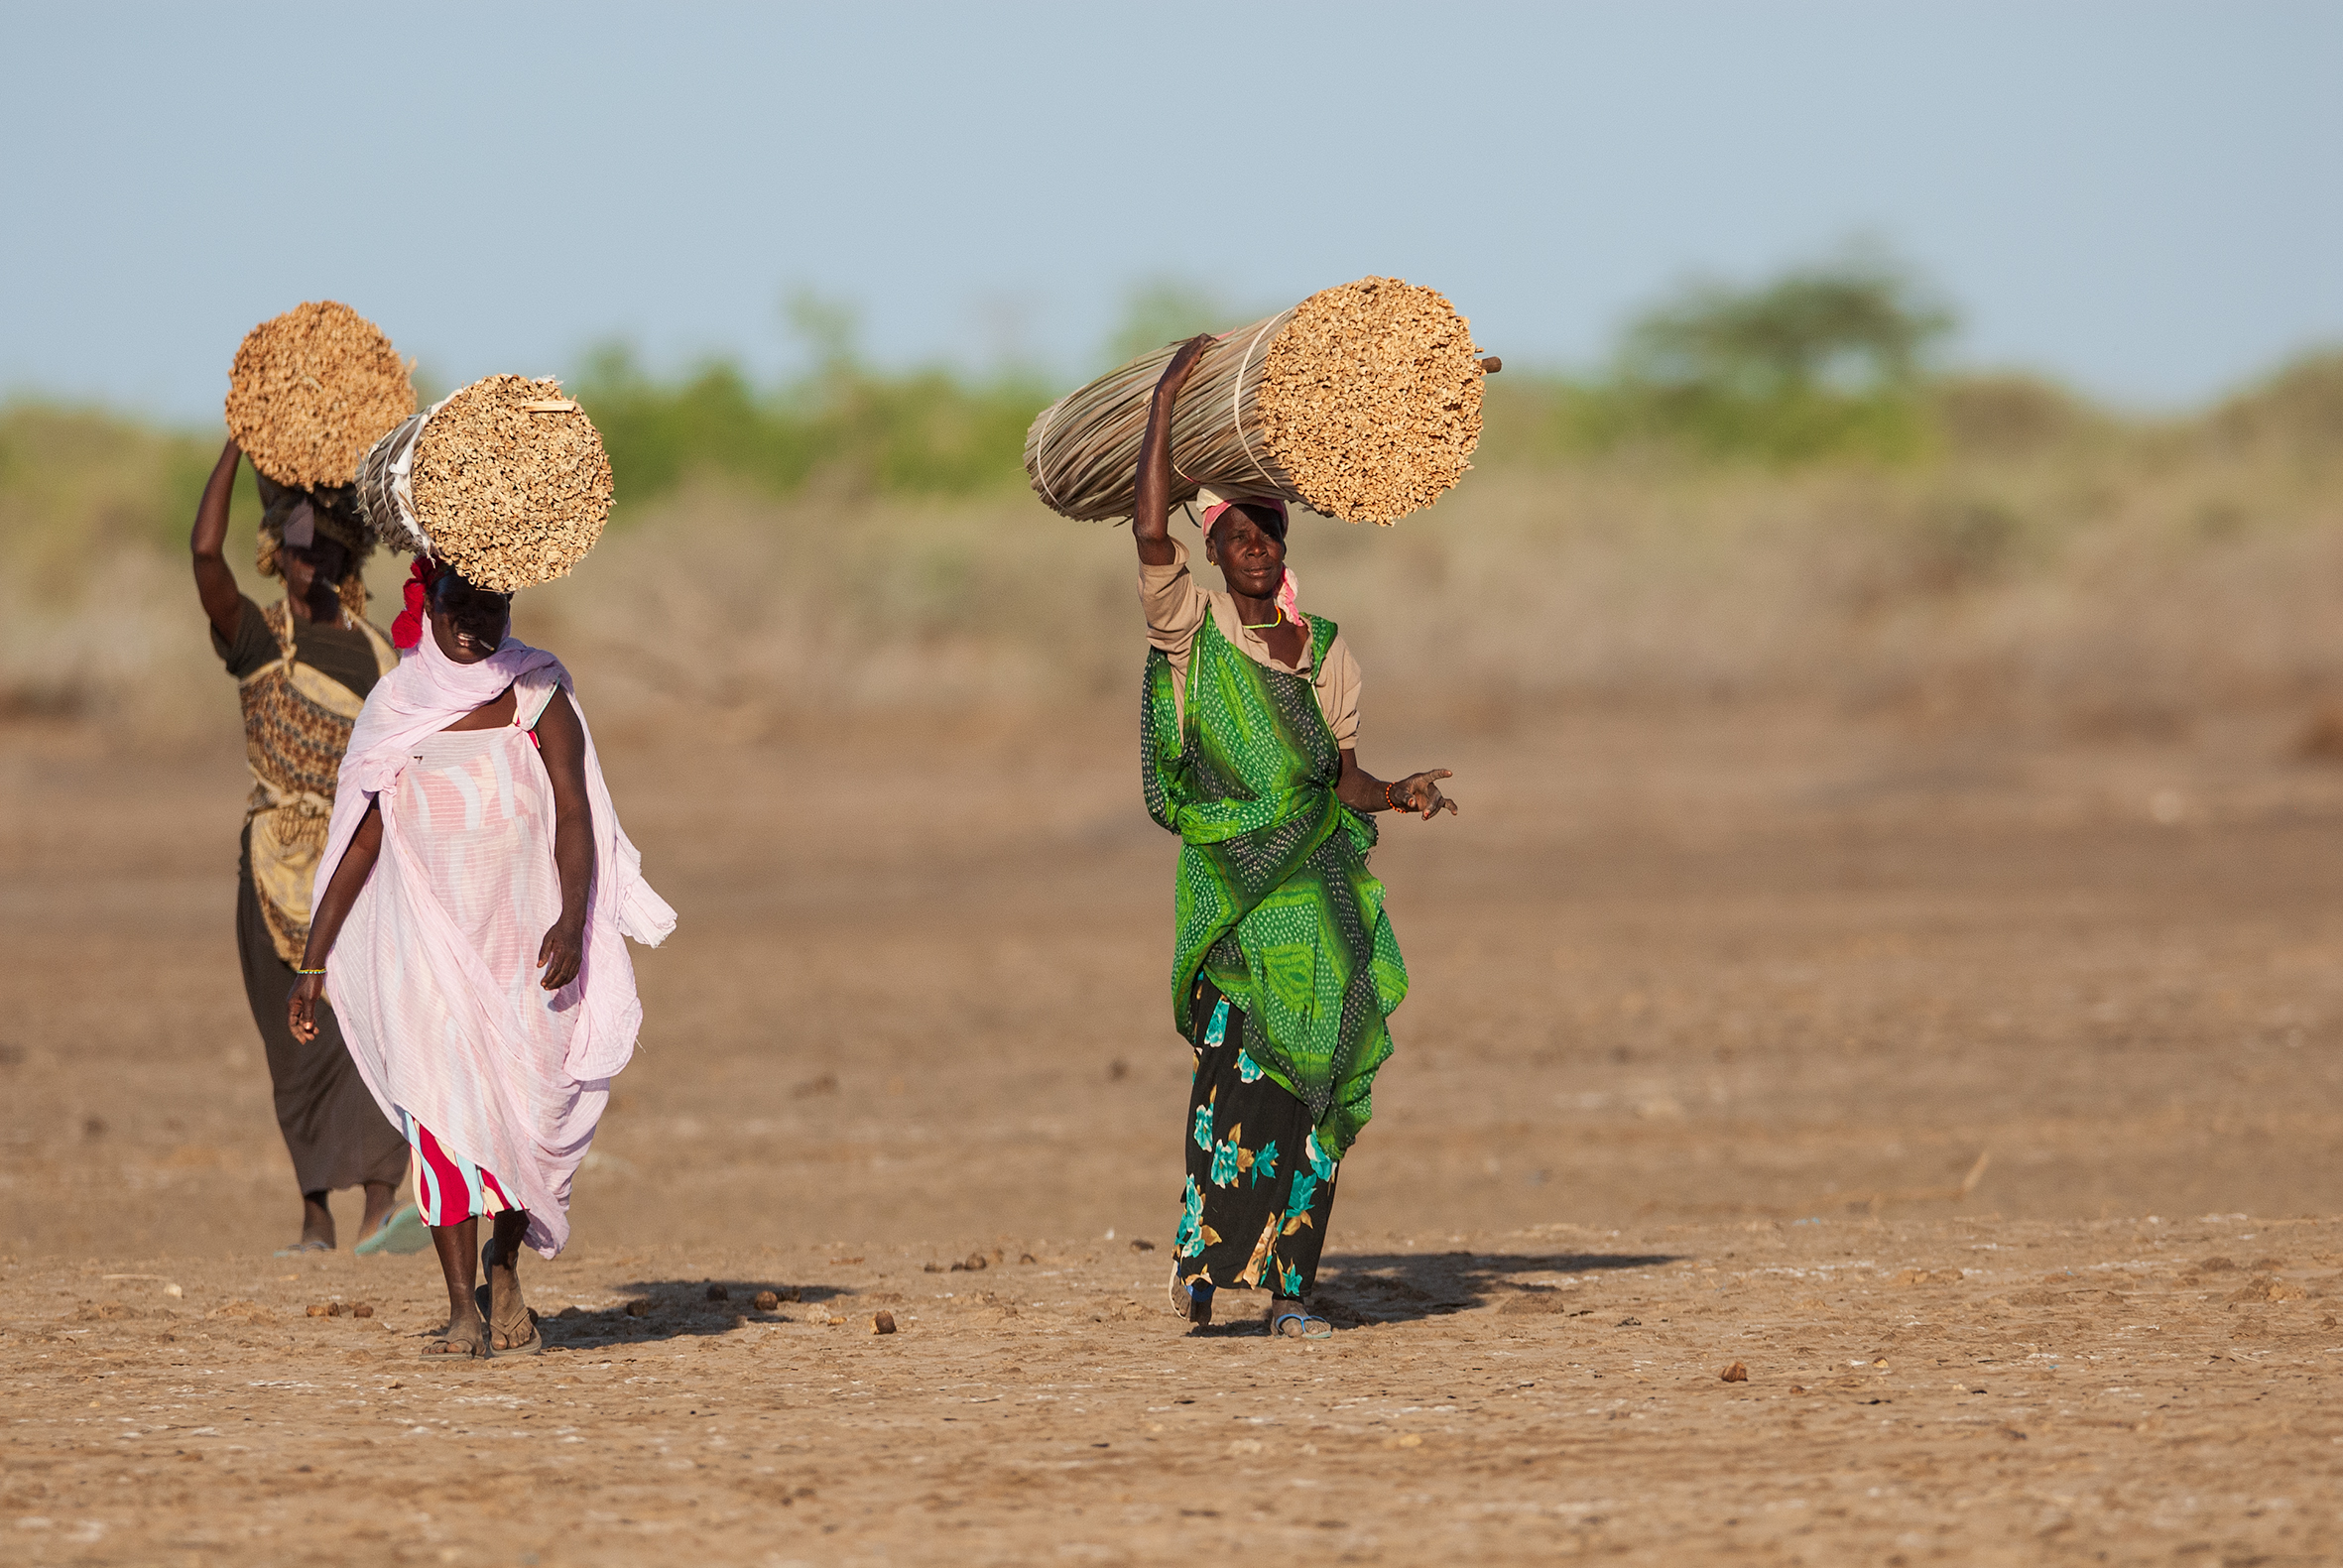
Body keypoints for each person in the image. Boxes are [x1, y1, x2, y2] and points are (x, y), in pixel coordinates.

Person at [1134, 336, 1458, 1339]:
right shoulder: (1191, 632)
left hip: (1315, 899)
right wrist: (1169, 397)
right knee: (1233, 1085)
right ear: (1218, 553)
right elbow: (1151, 524)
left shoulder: (1323, 650)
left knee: (1315, 1086)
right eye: (1236, 540)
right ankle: (1203, 1270)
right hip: (1236, 898)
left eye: (1266, 539)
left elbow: (1338, 773)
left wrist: (1395, 793)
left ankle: (1291, 1290)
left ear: (1281, 547)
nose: (1254, 552)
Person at [290, 562, 674, 1359]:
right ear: (425, 606)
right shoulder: (395, 709)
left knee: (516, 1123)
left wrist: (571, 920)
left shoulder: (538, 695)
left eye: (491, 606)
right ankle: (462, 1308)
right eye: (458, 605)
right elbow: (361, 841)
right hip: (428, 957)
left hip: (524, 954)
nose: (475, 622)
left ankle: (505, 1273)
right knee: (444, 1124)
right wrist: (313, 961)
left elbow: (575, 811)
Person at [190, 438, 414, 1254]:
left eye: (324, 544)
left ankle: (382, 1203)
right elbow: (203, 553)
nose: (308, 558)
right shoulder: (257, 640)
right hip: (272, 870)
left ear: (346, 553)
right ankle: (315, 1214)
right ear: (273, 554)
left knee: (366, 1020)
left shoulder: (381, 653)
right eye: (294, 545)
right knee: (292, 1037)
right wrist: (238, 447)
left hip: (358, 857)